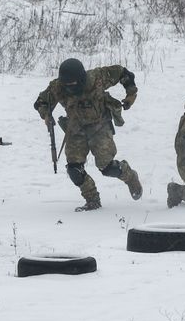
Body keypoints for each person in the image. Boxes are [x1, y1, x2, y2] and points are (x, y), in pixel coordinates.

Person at [33, 58, 142, 212]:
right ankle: (92, 200)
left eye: (73, 84)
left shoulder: (97, 77)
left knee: (107, 167)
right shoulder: (58, 86)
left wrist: (131, 93)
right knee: (74, 169)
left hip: (100, 126)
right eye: (67, 85)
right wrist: (46, 115)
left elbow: (123, 73)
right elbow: (41, 102)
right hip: (75, 129)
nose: (70, 87)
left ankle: (130, 176)